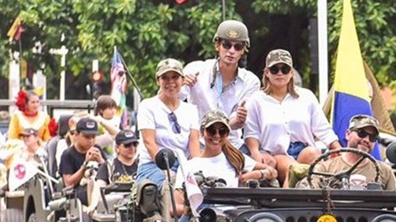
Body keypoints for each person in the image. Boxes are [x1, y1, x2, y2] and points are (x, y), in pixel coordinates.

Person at [243, 48, 340, 182]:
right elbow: (251, 133)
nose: (280, 73)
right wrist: (256, 154)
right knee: (291, 168)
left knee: (313, 154)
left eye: (285, 69)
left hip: (304, 150)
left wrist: (339, 150)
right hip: (275, 153)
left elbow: (323, 129)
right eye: (274, 69)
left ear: (291, 73)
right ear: (266, 73)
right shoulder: (256, 100)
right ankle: (289, 201)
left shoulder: (307, 97)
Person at [174, 110, 277, 217]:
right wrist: (195, 210)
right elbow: (175, 207)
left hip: (232, 220)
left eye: (222, 131)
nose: (217, 136)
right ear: (202, 132)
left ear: (227, 134)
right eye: (211, 131)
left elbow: (272, 172)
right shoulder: (189, 166)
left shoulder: (236, 158)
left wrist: (257, 174)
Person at [183, 19, 260, 148]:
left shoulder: (251, 82)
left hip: (231, 144)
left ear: (243, 51)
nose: (231, 50)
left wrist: (239, 119)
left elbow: (237, 122)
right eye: (226, 44)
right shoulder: (195, 69)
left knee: (266, 166)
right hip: (198, 143)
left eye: (238, 47)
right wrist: (180, 84)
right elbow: (169, 101)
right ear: (217, 45)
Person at [136, 58, 200, 185]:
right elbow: (149, 143)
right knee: (168, 188)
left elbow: (194, 144)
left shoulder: (191, 110)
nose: (170, 82)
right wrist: (166, 170)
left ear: (182, 80)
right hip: (153, 164)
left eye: (175, 77)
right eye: (165, 78)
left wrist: (198, 168)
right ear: (158, 81)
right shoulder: (147, 106)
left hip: (183, 165)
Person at [298, 114, 396, 190]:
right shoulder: (326, 168)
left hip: (372, 218)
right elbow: (307, 191)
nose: (366, 140)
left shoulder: (384, 171)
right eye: (362, 133)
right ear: (348, 134)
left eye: (372, 137)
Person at [58, 116, 105, 203]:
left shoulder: (97, 149)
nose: (91, 141)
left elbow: (109, 176)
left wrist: (101, 162)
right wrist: (85, 165)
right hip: (76, 196)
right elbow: (68, 183)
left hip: (98, 190)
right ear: (76, 135)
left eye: (93, 137)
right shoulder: (68, 154)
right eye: (87, 137)